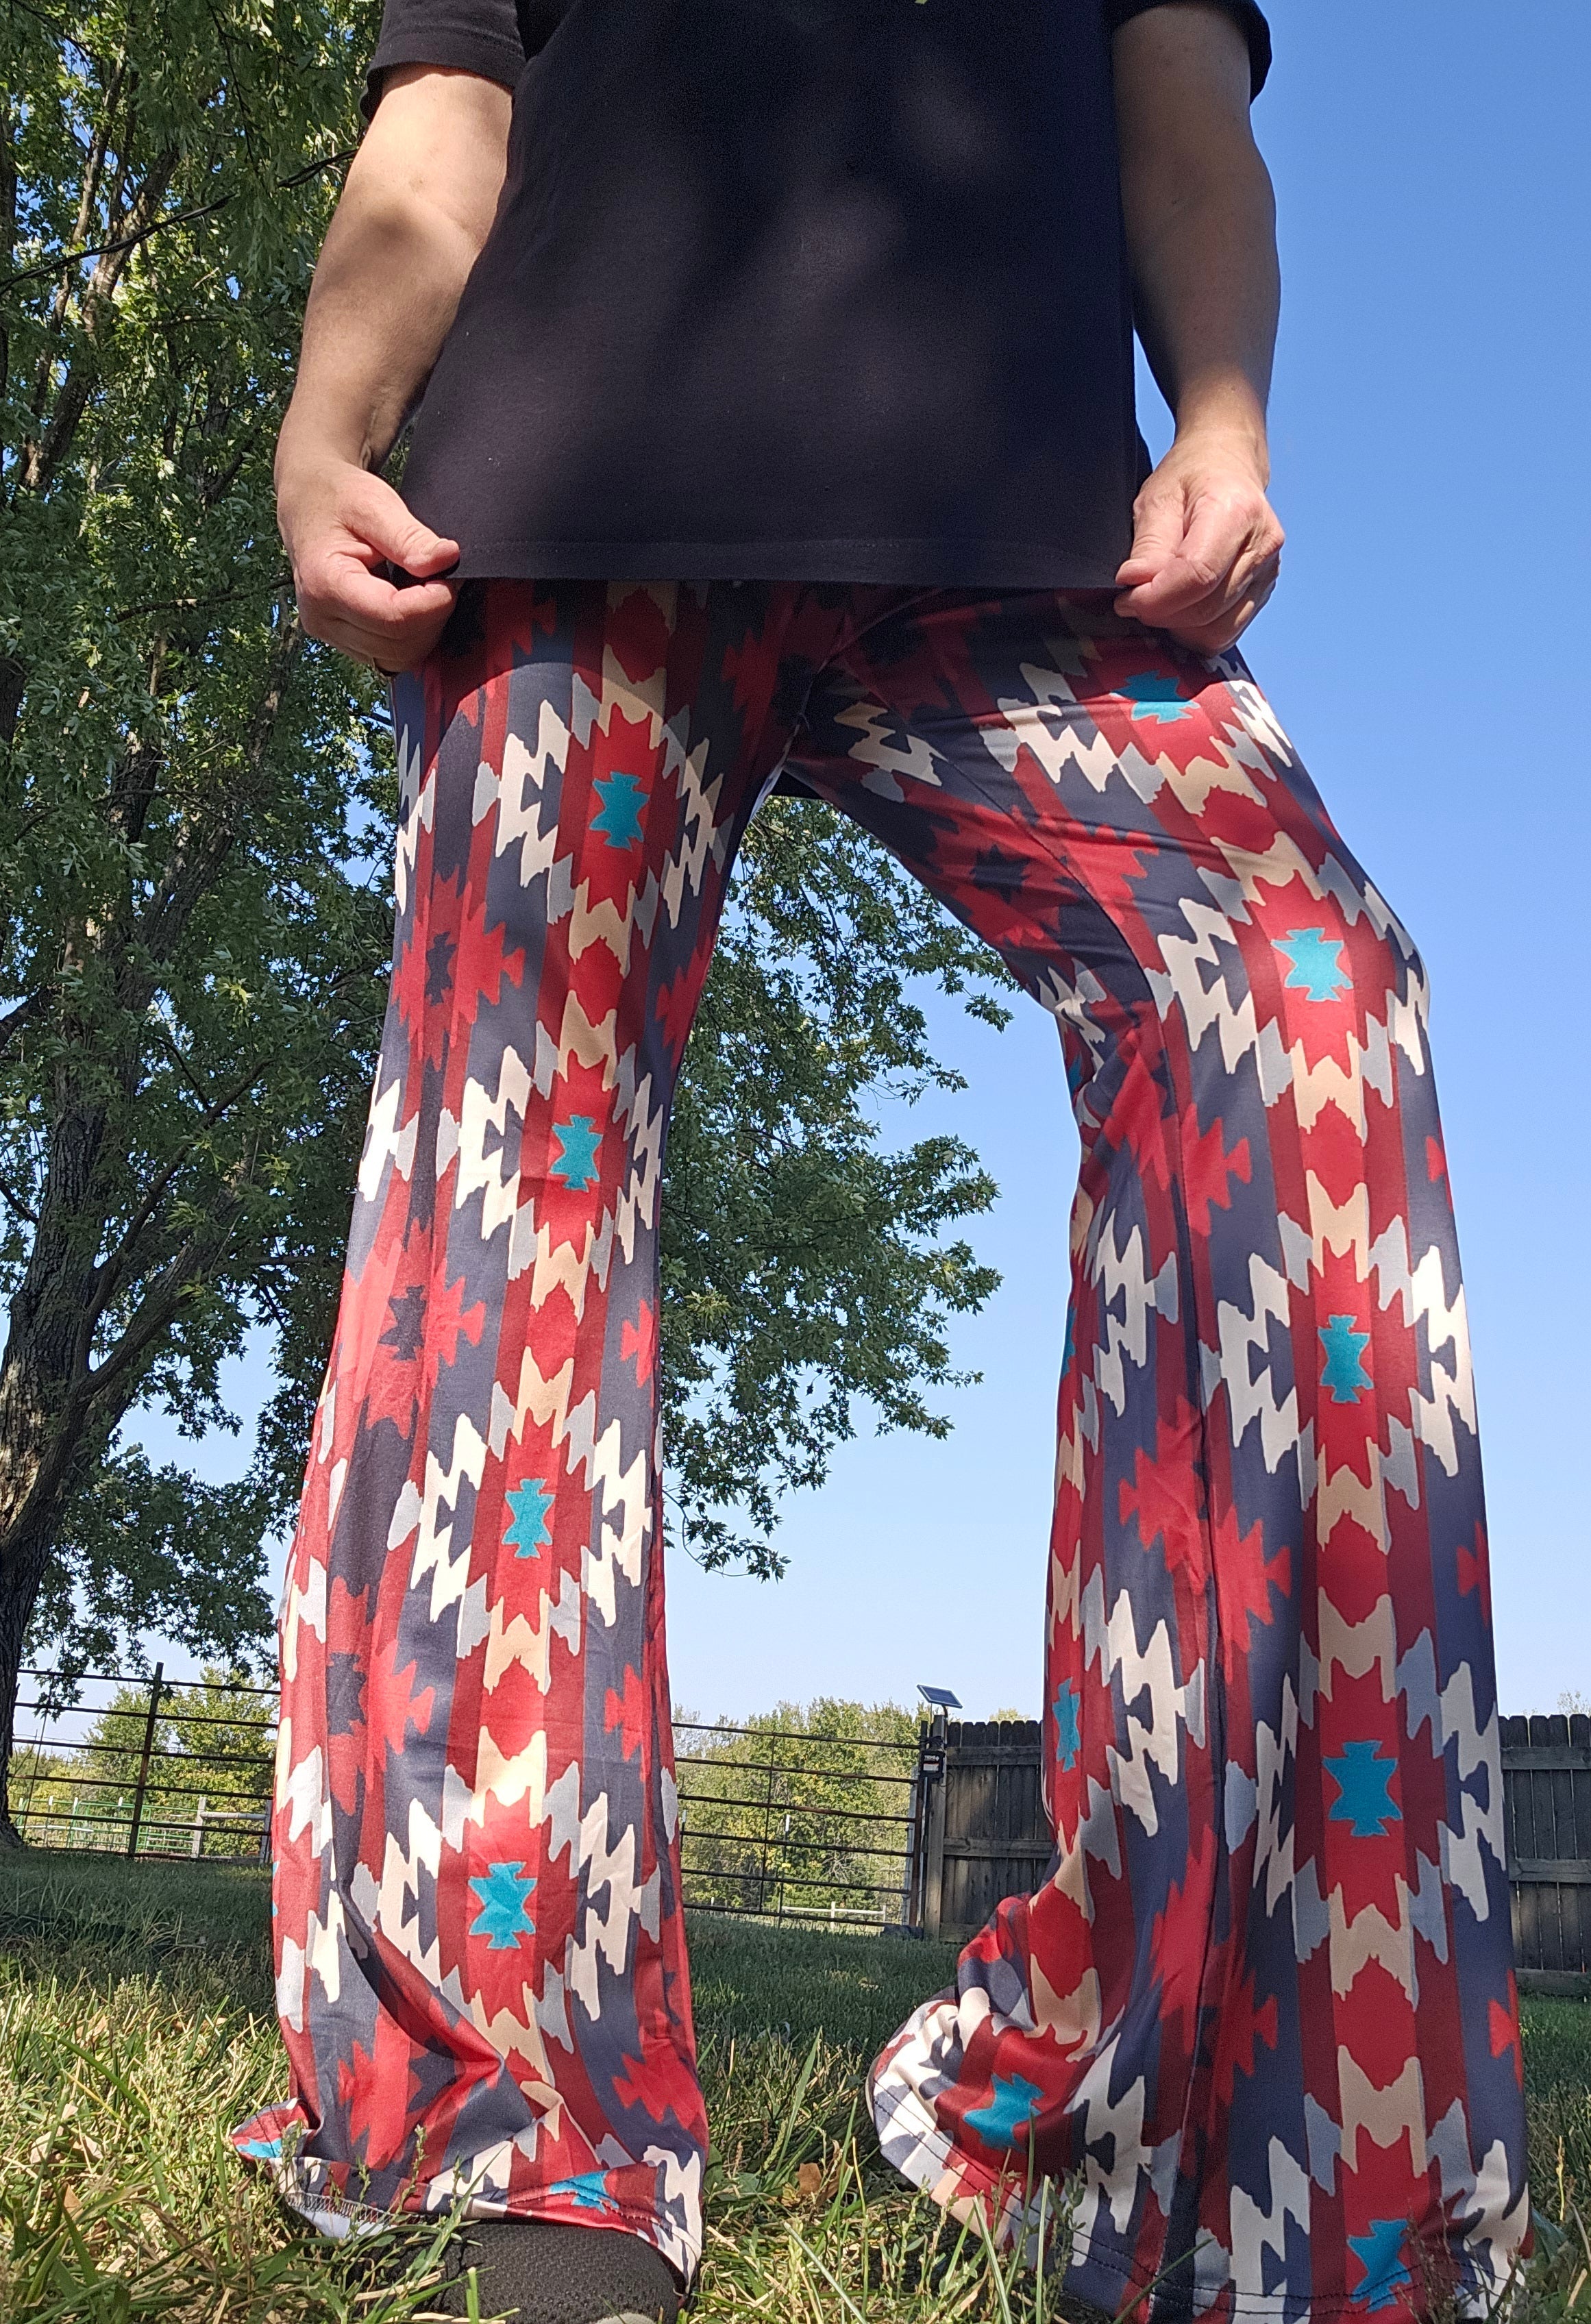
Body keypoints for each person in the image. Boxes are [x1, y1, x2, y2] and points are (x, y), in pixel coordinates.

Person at [231, 1, 1531, 2318]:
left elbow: (1179, 120)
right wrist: (325, 433)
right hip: (570, 506)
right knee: (510, 1153)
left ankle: (1201, 2117)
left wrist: (1220, 425)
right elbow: (442, 124)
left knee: (1303, 1004)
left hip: (1021, 553)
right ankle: (534, 2138)